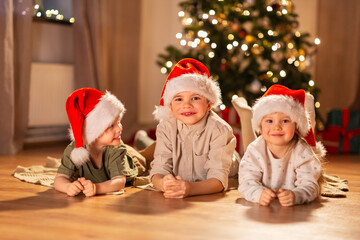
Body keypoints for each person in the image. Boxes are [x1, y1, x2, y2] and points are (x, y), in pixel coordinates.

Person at [150, 58, 238, 199]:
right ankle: (144, 142)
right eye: (179, 99)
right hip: (179, 167)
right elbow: (159, 170)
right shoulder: (166, 128)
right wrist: (163, 183)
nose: (187, 105)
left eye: (195, 98)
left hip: (228, 163)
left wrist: (189, 189)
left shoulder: (220, 130)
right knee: (152, 155)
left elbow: (218, 181)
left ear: (209, 104)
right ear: (170, 106)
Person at [237, 84, 325, 206]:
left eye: (285, 121)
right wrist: (259, 194)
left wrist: (297, 195)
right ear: (260, 126)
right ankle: (246, 115)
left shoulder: (301, 151)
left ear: (296, 126)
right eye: (269, 121)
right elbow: (246, 181)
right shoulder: (255, 150)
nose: (276, 127)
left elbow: (310, 185)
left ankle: (308, 109)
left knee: (314, 159)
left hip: (293, 208)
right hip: (265, 206)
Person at [54, 88, 149, 197]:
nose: (120, 129)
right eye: (111, 125)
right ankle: (140, 138)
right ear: (92, 132)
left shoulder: (117, 149)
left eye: (119, 122)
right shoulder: (74, 150)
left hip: (135, 158)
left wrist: (96, 188)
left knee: (150, 153)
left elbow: (119, 181)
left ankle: (141, 138)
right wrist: (68, 187)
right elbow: (59, 179)